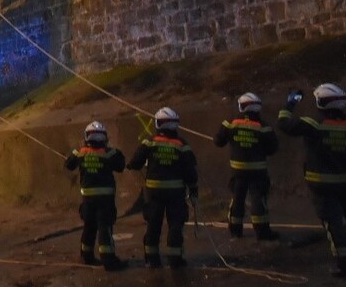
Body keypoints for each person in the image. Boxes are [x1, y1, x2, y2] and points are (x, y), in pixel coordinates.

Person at [278, 84, 346, 278]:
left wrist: (290, 102)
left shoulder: (313, 124)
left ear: (320, 102)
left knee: (334, 224)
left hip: (321, 185)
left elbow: (284, 123)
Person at [128, 107, 198, 269]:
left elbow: (136, 162)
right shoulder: (182, 145)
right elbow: (190, 171)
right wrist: (193, 188)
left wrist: (131, 165)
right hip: (175, 193)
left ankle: (152, 259)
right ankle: (175, 259)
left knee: (153, 224)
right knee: (175, 224)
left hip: (153, 193)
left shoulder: (149, 141)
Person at [214, 92, 280, 240]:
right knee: (258, 200)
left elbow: (218, 141)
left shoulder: (230, 123)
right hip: (258, 171)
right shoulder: (264, 127)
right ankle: (262, 233)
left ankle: (235, 231)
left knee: (237, 199)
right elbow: (272, 149)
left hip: (238, 171)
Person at [64, 121, 128, 271]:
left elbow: (68, 164)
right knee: (104, 228)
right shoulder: (109, 153)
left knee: (89, 226)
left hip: (88, 200)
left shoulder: (80, 152)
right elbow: (120, 166)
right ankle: (109, 260)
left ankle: (86, 256)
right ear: (104, 138)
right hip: (105, 200)